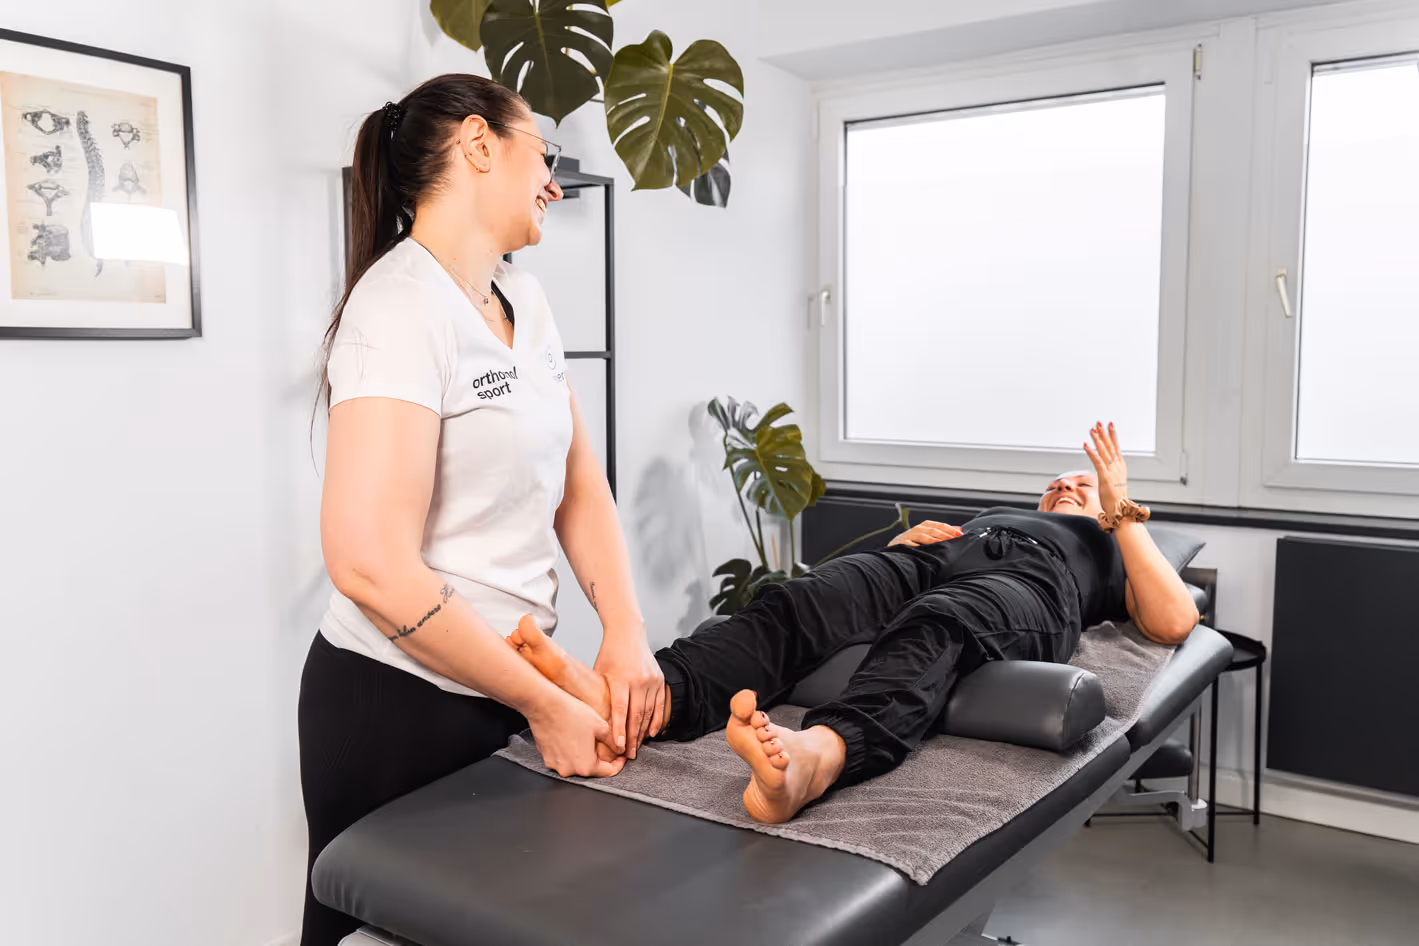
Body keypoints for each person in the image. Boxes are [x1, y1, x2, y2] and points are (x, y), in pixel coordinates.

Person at [297, 75, 664, 946]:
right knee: (369, 930)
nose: (555, 185)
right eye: (544, 154)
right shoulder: (397, 307)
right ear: (476, 145)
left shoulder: (521, 298)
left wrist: (624, 629)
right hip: (399, 698)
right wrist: (543, 704)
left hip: (507, 682)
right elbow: (368, 564)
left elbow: (579, 482)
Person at [505, 422, 1199, 824]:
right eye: (1054, 484)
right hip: (938, 554)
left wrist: (1117, 508)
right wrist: (905, 547)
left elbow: (1172, 620)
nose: (1064, 487)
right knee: (802, 598)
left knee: (941, 620)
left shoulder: (1112, 543)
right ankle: (648, 698)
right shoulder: (1000, 514)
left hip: (1029, 583)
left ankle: (819, 757)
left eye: (1078, 486)